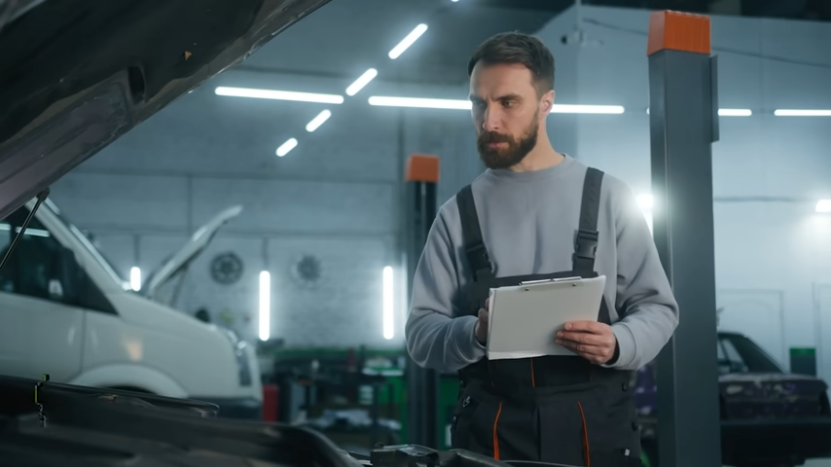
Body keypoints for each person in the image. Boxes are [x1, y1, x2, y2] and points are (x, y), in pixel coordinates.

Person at [405, 32, 679, 466]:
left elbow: (658, 308)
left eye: (507, 103)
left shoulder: (608, 197)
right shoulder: (458, 214)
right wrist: (474, 333)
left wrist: (618, 341)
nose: (489, 120)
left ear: (546, 103)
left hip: (598, 433)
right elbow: (421, 335)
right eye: (479, 103)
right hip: (491, 438)